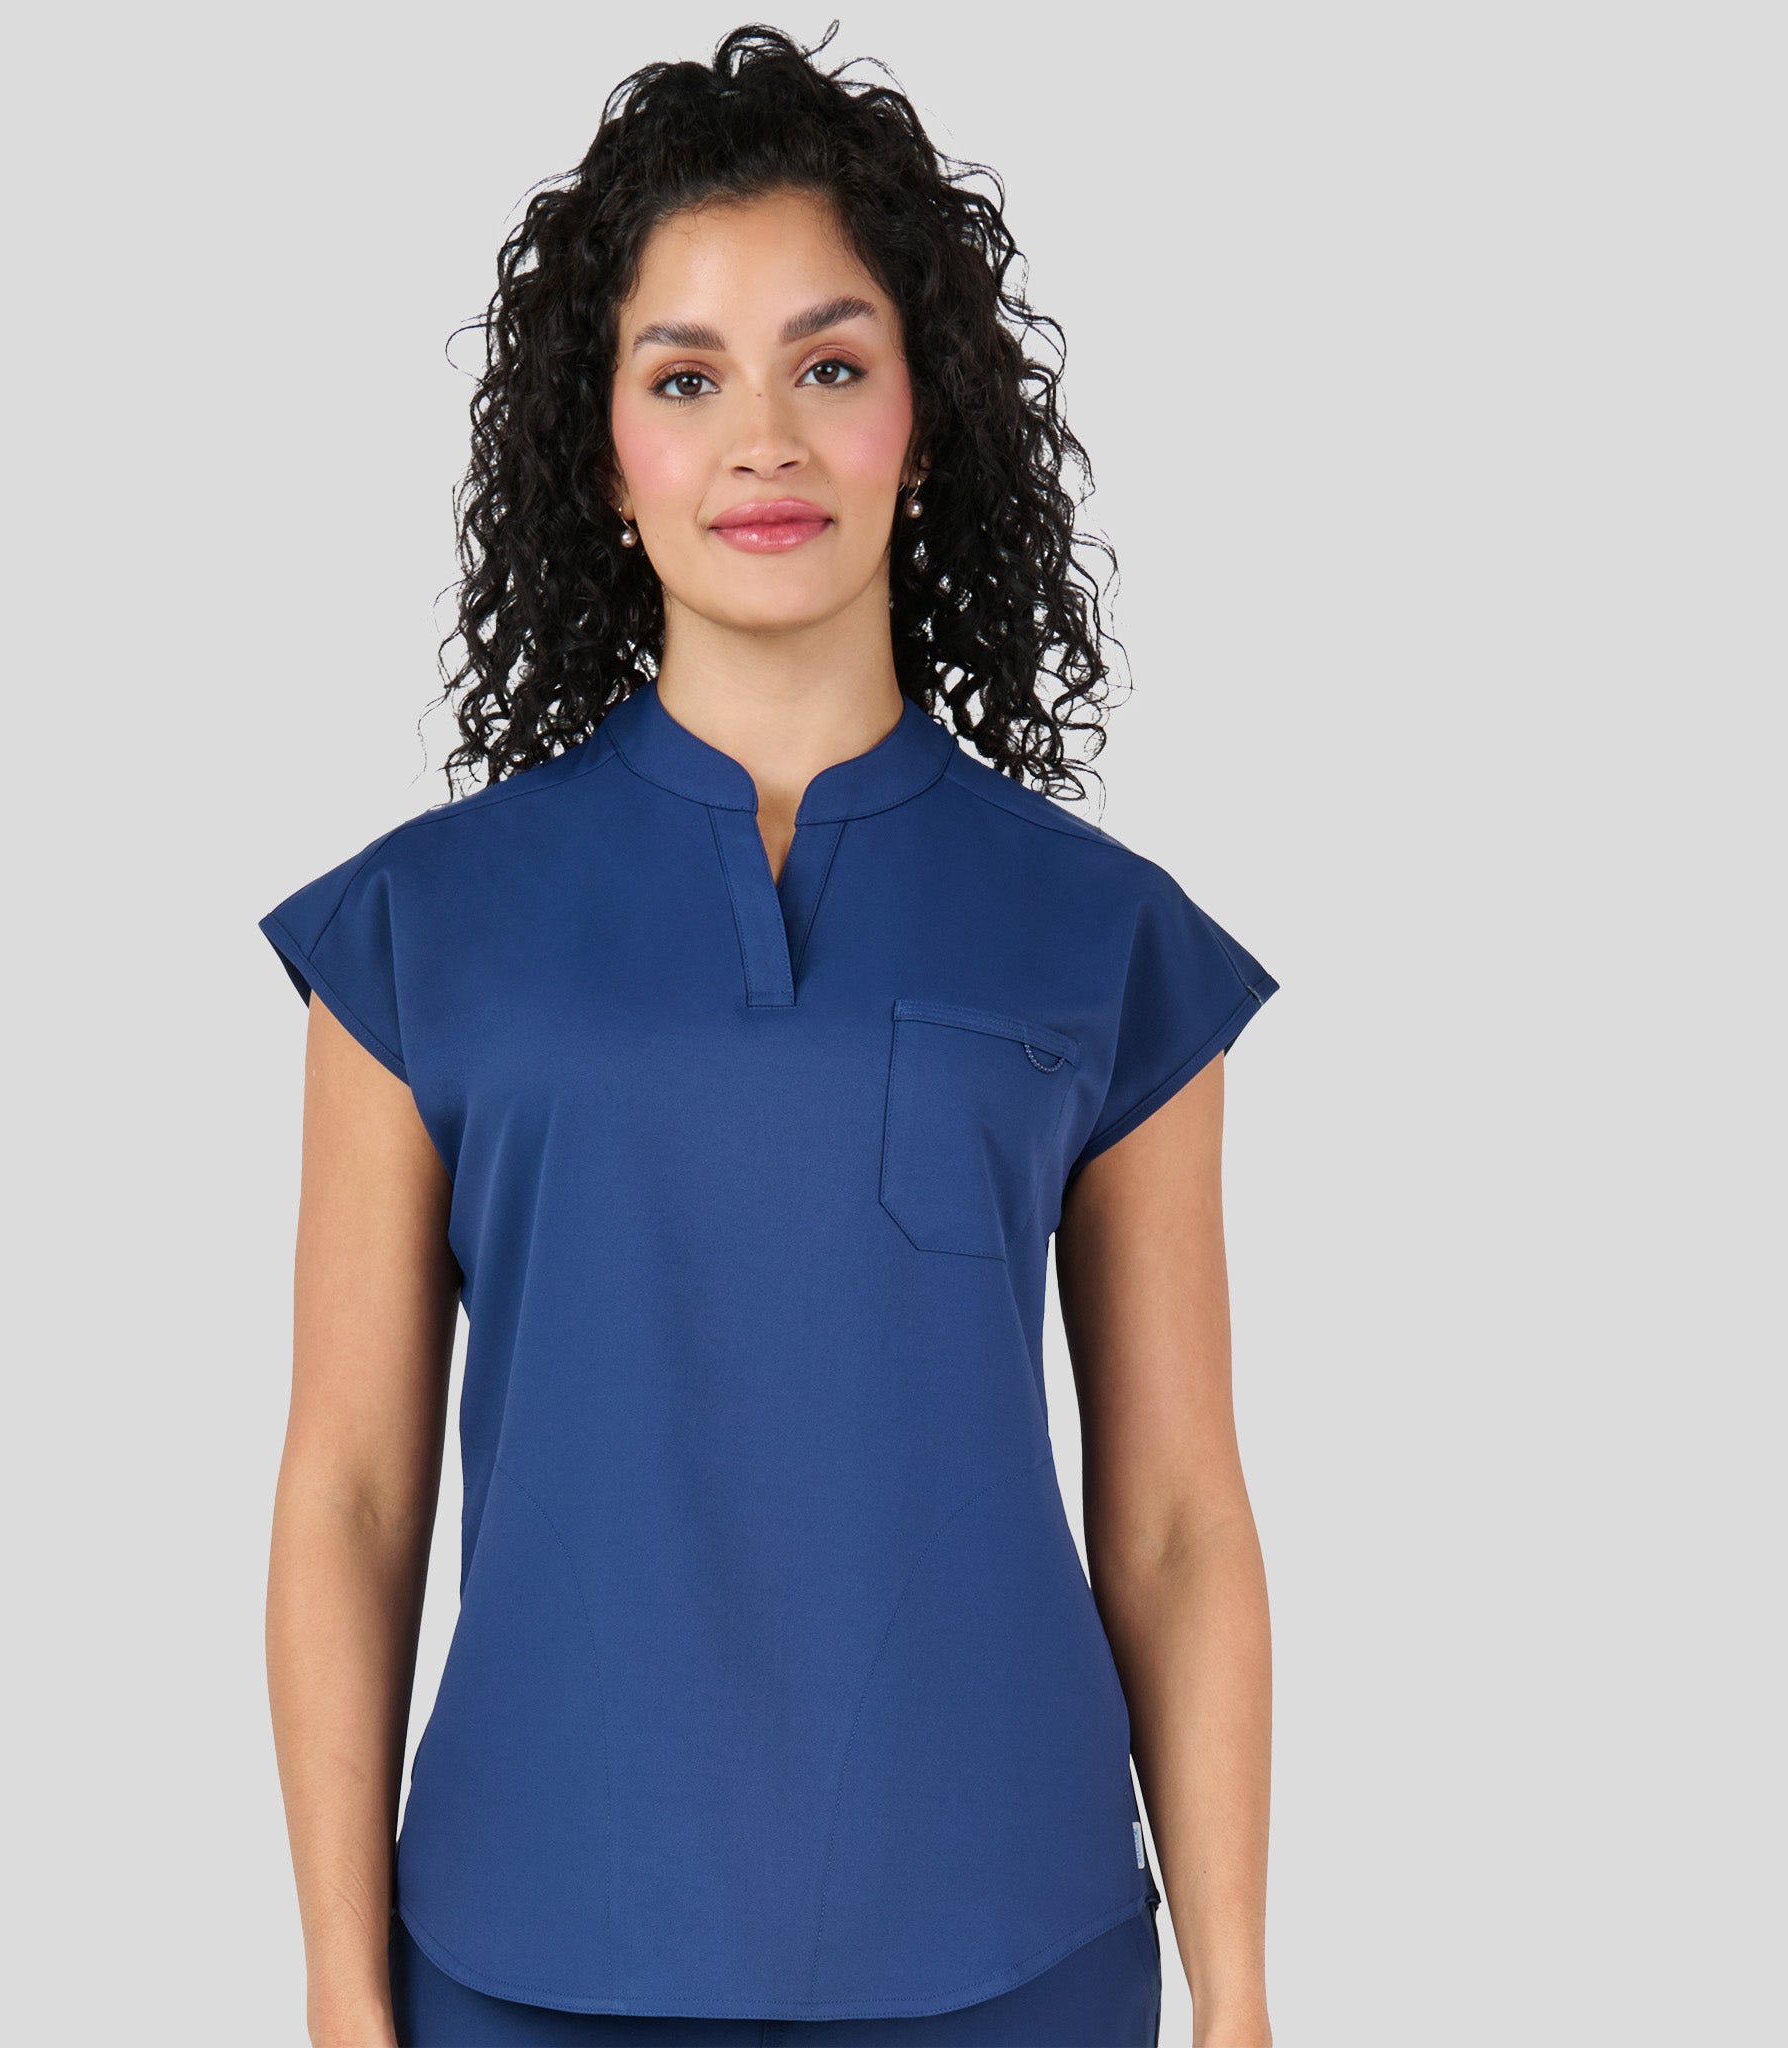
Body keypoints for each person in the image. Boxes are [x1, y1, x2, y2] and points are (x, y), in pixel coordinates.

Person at [260, 26, 1277, 2048]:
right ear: (600, 452)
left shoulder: (1102, 940)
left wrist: (1238, 1996)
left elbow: (1173, 1511)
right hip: (524, 1951)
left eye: (828, 365)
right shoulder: (416, 936)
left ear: (925, 416)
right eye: (683, 378)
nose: (763, 442)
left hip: (1013, 1947)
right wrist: (342, 1995)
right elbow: (350, 1492)